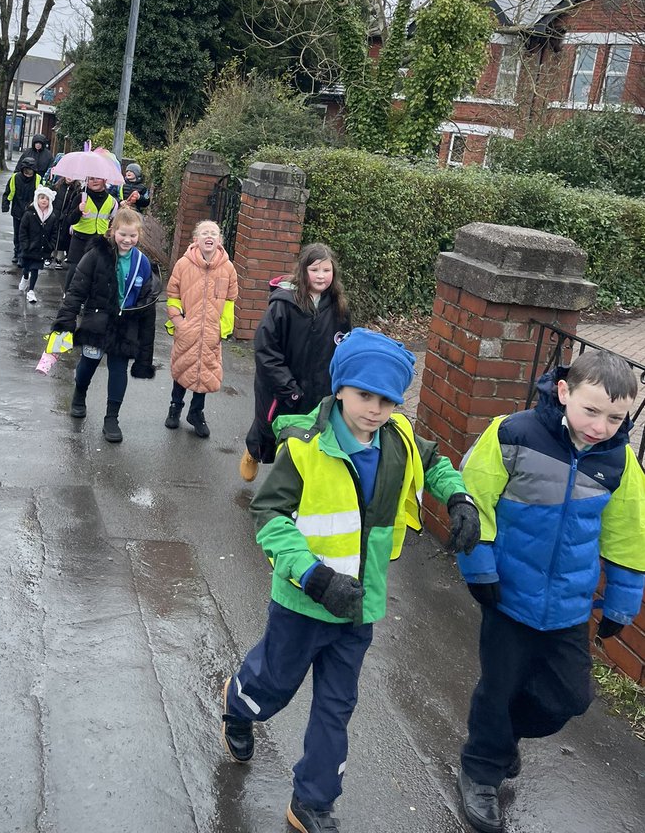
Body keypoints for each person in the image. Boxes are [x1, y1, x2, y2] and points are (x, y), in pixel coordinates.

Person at [221, 328, 480, 833]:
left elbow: (437, 463)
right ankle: (238, 707)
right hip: (303, 602)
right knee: (271, 685)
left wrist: (459, 498)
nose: (375, 409)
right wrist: (312, 575)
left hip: (359, 607)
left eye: (388, 399)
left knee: (336, 707)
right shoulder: (305, 449)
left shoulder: (400, 440)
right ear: (339, 388)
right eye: (365, 395)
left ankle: (312, 801)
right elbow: (269, 515)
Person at [455, 350, 645, 833]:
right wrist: (479, 569)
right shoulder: (514, 434)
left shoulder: (619, 463)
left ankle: (505, 738)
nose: (602, 426)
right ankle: (481, 771)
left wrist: (623, 600)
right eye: (591, 410)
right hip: (508, 596)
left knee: (568, 697)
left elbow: (628, 536)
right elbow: (475, 499)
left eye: (616, 417)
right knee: (499, 688)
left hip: (568, 607)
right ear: (564, 392)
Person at [240, 243, 352, 483]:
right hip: (282, 386)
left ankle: (290, 492)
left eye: (326, 270)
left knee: (305, 439)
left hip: (320, 387)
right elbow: (266, 349)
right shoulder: (283, 304)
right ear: (303, 271)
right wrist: (288, 387)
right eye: (315, 270)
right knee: (269, 425)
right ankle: (253, 451)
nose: (321, 276)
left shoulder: (339, 307)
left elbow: (345, 348)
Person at [50, 208, 160, 444]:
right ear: (113, 231)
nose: (127, 240)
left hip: (125, 325)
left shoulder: (143, 263)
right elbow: (77, 289)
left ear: (139, 235)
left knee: (118, 370)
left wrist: (144, 347)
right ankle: (79, 394)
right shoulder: (96, 255)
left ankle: (112, 418)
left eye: (132, 236)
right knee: (88, 363)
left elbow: (147, 302)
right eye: (123, 234)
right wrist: (66, 320)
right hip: (98, 320)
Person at [165, 220, 239, 439]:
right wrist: (178, 321)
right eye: (205, 232)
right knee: (182, 366)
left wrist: (222, 329)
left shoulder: (228, 268)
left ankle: (196, 412)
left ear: (219, 241)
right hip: (188, 329)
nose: (210, 236)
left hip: (211, 332)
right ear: (195, 239)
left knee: (204, 371)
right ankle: (175, 407)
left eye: (214, 233)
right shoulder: (183, 264)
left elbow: (230, 301)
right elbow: (173, 295)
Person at [64, 176, 118, 290]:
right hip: (80, 239)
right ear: (87, 181)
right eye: (91, 178)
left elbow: (113, 221)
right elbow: (70, 219)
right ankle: (68, 294)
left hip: (99, 240)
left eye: (98, 178)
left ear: (105, 180)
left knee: (95, 271)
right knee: (75, 269)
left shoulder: (112, 201)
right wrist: (78, 209)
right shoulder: (81, 197)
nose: (94, 181)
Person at [17, 186, 58, 303]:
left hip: (42, 248)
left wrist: (51, 245)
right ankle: (25, 277)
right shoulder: (29, 214)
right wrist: (25, 245)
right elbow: (23, 230)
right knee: (26, 267)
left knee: (35, 269)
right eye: (41, 198)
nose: (44, 200)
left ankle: (31, 290)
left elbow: (54, 232)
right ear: (37, 199)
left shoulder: (52, 216)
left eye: (46, 199)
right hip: (29, 247)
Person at [1, 155, 41, 265]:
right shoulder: (15, 178)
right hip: (17, 210)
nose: (28, 174)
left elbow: (42, 194)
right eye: (26, 171)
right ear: (22, 170)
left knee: (27, 234)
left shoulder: (38, 180)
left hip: (31, 212)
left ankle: (23, 255)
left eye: (30, 172)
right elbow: (8, 192)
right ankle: (17, 253)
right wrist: (5, 205)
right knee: (18, 234)